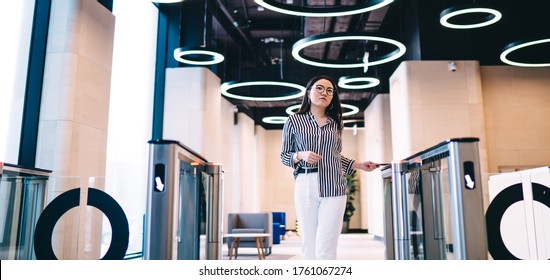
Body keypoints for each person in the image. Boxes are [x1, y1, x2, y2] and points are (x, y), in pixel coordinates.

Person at [280, 75, 379, 260]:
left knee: (326, 248)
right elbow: (284, 156)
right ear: (308, 93)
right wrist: (300, 155)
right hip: (305, 184)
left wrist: (359, 165)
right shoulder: (293, 121)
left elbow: (334, 156)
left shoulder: (336, 123)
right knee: (309, 246)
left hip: (334, 185)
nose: (324, 93)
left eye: (329, 90)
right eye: (319, 88)